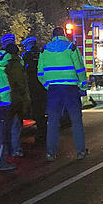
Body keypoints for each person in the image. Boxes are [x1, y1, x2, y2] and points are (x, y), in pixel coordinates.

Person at [38, 26, 89, 162]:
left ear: (52, 36)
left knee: (53, 122)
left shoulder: (44, 50)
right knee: (76, 121)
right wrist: (83, 86)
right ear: (64, 34)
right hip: (71, 89)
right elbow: (80, 69)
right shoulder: (71, 48)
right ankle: (80, 151)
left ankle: (50, 153)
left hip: (54, 90)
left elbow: (40, 73)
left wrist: (48, 85)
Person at [2, 43, 30, 157]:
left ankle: (4, 150)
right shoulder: (16, 64)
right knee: (16, 125)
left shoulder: (1, 63)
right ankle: (15, 149)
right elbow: (20, 82)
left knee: (5, 127)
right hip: (16, 98)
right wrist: (25, 97)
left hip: (4, 99)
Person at [22, 36, 47, 142]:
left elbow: (24, 70)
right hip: (43, 86)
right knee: (42, 110)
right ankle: (44, 131)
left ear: (28, 45)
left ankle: (42, 134)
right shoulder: (42, 53)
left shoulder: (27, 55)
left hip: (32, 87)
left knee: (37, 111)